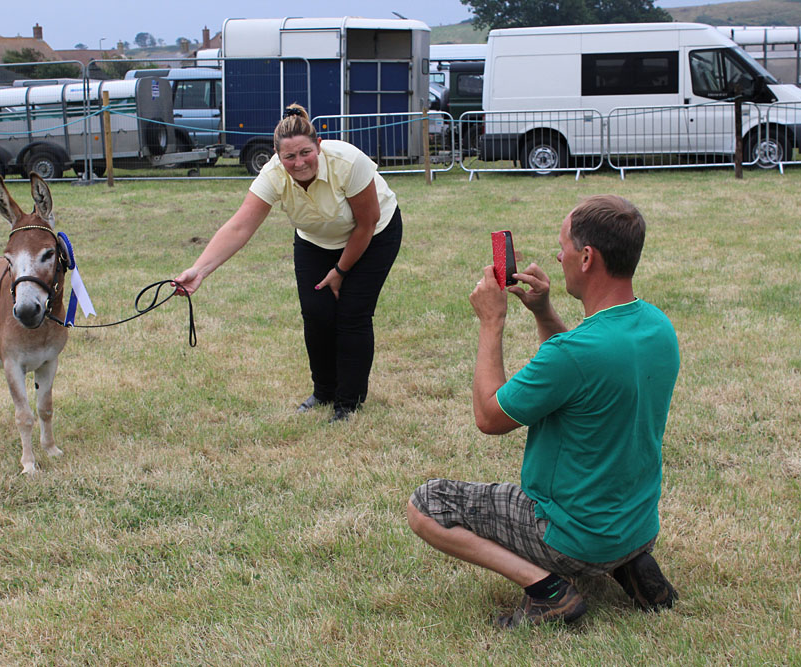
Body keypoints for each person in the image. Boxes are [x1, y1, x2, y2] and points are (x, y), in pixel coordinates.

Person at [407, 195, 680, 629]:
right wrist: (543, 311)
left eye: (564, 245)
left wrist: (491, 323)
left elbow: (489, 417)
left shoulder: (572, 354)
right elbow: (583, 373)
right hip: (637, 525)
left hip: (570, 537)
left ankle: (547, 592)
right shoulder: (657, 326)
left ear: (587, 257)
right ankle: (628, 563)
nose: (559, 255)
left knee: (425, 505)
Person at [175, 104, 402, 422]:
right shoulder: (273, 175)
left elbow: (367, 223)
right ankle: (324, 392)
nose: (299, 163)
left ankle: (348, 403)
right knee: (316, 312)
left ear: (318, 146)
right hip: (315, 240)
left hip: (374, 234)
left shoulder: (349, 162)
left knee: (352, 314)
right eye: (289, 157)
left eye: (306, 153)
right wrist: (199, 270)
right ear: (278, 156)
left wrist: (340, 271)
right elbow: (240, 226)